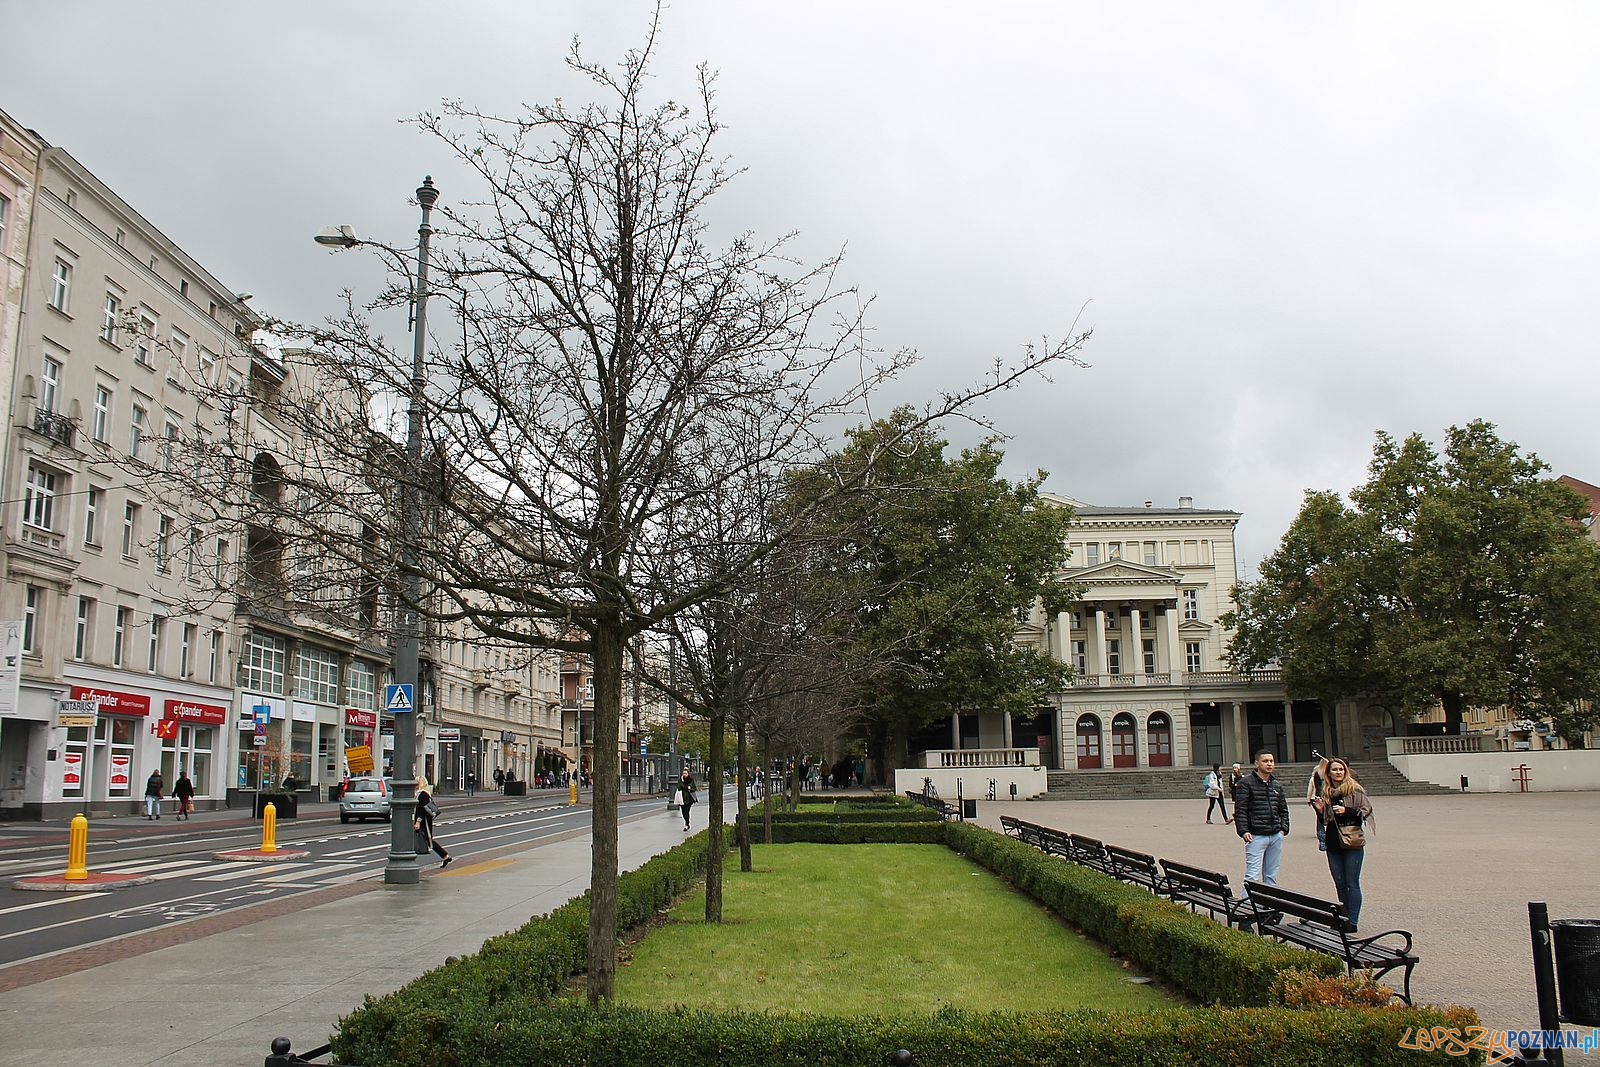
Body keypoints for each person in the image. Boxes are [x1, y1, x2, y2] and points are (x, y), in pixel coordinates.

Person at [1311, 757, 1371, 930]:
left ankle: (1352, 921)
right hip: (1333, 840)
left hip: (1352, 839)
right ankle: (1343, 917)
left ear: (1345, 771)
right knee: (1339, 880)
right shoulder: (1326, 791)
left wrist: (1347, 811)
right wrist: (1321, 810)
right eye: (1334, 770)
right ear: (1328, 773)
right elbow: (1325, 820)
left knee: (1352, 882)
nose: (1338, 773)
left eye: (1341, 770)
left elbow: (1365, 812)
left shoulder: (1355, 789)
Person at [1235, 750, 1290, 886]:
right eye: (1265, 761)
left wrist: (1284, 829)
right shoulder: (1246, 783)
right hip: (1256, 835)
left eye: (1271, 761)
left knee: (1271, 874)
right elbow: (1240, 809)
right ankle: (1247, 905)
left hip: (1275, 834)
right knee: (1252, 875)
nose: (1269, 764)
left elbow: (1283, 808)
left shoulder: (1276, 784)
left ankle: (1269, 903)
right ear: (1257, 763)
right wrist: (1243, 831)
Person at [413, 788, 452, 868]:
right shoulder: (423, 794)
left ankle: (445, 856)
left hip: (425, 822)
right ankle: (445, 856)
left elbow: (421, 809)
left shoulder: (423, 795)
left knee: (428, 840)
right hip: (425, 821)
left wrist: (418, 822)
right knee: (428, 840)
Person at [1306, 756, 1331, 852]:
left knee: (1319, 815)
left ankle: (1320, 831)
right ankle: (1323, 832)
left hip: (1315, 798)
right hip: (1323, 798)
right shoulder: (1327, 776)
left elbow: (1310, 788)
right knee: (1323, 815)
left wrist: (1308, 798)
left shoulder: (1315, 775)